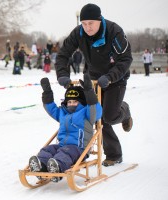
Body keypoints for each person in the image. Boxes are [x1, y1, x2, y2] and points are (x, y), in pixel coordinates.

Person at [54, 3, 133, 167]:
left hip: (115, 79)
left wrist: (110, 77)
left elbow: (125, 59)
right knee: (95, 116)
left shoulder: (114, 32)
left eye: (91, 23)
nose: (87, 27)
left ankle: (124, 111)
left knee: (109, 116)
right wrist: (62, 74)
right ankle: (114, 154)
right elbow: (63, 54)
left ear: (99, 20)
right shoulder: (78, 33)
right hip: (92, 79)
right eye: (84, 23)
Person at [29, 74, 102, 182]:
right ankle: (41, 166)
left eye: (75, 101)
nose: (72, 104)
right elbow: (51, 109)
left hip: (79, 149)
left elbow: (95, 110)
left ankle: (57, 168)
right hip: (62, 145)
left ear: (82, 102)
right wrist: (47, 92)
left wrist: (89, 91)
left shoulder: (87, 113)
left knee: (65, 153)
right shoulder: (63, 113)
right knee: (47, 150)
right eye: (69, 102)